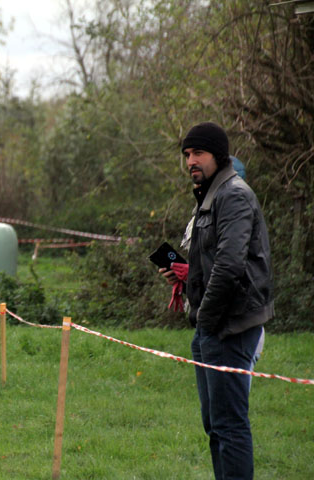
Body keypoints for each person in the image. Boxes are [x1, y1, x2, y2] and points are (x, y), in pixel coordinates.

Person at [161, 122, 272, 480]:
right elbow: (208, 262)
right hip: (210, 327)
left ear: (219, 155)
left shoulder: (233, 195)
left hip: (230, 326)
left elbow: (229, 265)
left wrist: (206, 319)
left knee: (230, 425)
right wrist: (182, 274)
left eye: (199, 153)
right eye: (187, 155)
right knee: (216, 425)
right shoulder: (209, 197)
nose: (191, 161)